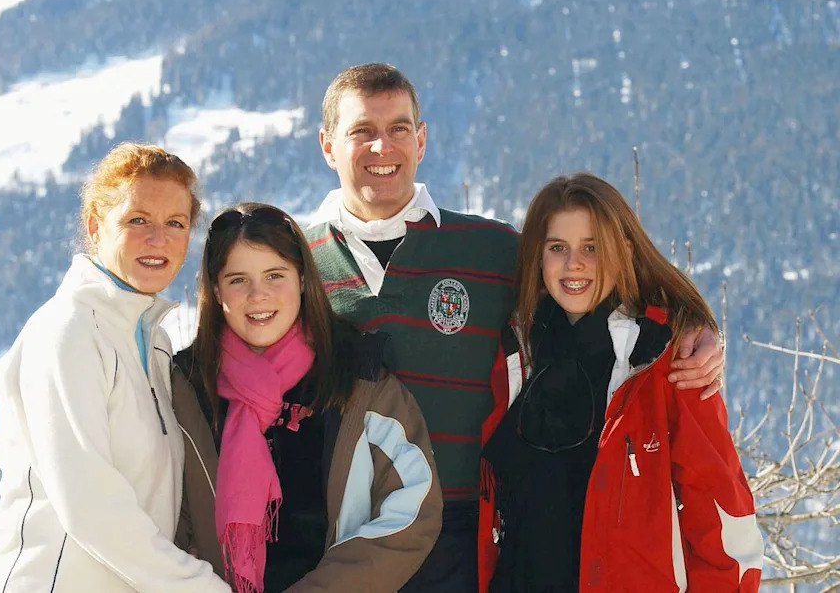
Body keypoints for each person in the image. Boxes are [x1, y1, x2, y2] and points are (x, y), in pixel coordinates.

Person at [306, 62, 727, 591]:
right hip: (339, 533)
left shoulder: (492, 249)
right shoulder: (292, 260)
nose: (382, 147)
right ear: (327, 145)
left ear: (422, 140)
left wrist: (696, 325)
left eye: (398, 129)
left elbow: (601, 285)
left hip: (461, 534)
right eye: (361, 131)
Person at [481, 173, 763, 592]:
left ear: (624, 252)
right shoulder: (514, 354)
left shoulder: (666, 362)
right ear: (537, 257)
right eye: (558, 247)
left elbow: (724, 522)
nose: (574, 263)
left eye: (592, 248)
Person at [0, 144, 229, 592]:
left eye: (176, 223)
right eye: (138, 220)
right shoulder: (69, 330)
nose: (159, 239)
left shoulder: (155, 341)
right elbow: (90, 505)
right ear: (96, 226)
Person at [173, 202, 442, 593]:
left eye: (274, 275)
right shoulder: (186, 387)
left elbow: (413, 508)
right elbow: (162, 513)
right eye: (237, 280)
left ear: (301, 278)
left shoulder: (357, 375)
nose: (258, 295)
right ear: (215, 290)